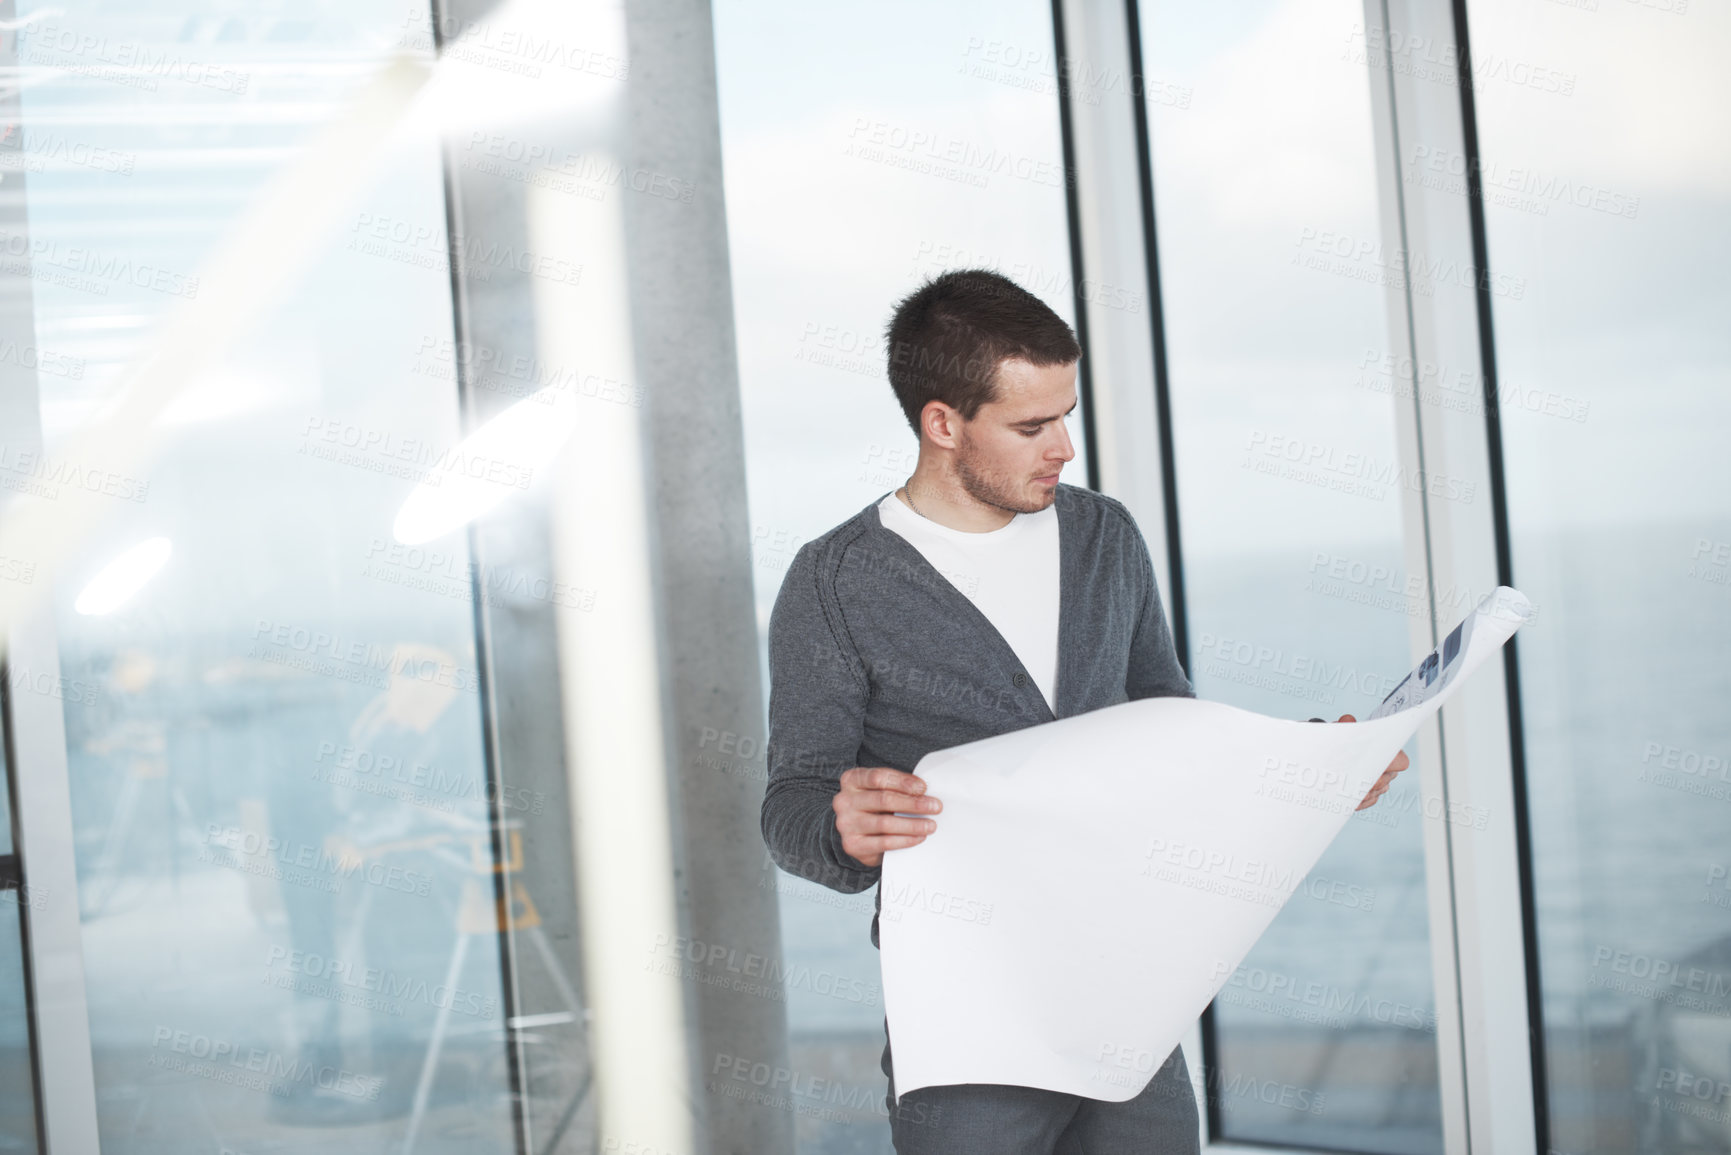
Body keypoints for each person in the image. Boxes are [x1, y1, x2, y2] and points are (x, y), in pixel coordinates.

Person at [759, 268, 1407, 1154]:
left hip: (1129, 1003)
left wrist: (1299, 769)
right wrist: (843, 827)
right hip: (966, 1024)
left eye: (1066, 414)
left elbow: (1167, 733)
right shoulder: (833, 582)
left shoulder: (1104, 535)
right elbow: (791, 802)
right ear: (941, 423)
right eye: (1031, 426)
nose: (1062, 445)